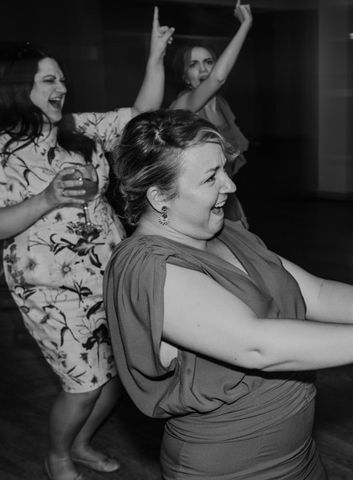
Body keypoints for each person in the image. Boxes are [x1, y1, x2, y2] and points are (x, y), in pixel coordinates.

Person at [103, 109, 353, 480]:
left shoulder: (223, 232)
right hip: (227, 469)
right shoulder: (146, 266)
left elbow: (316, 293)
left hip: (298, 455)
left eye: (224, 170)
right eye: (210, 177)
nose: (229, 186)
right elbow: (257, 346)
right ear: (159, 196)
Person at [0, 9, 173, 480]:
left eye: (62, 79)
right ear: (19, 87)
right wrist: (47, 198)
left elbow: (140, 117)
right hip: (50, 291)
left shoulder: (77, 130)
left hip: (107, 274)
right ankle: (56, 456)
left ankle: (79, 444)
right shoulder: (1, 152)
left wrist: (155, 56)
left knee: (114, 378)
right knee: (82, 385)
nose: (62, 87)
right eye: (48, 80)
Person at [170, 2, 252, 228]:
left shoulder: (222, 105)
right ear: (185, 76)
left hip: (226, 197)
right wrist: (245, 25)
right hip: (197, 203)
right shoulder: (186, 103)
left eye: (208, 62)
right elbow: (218, 78)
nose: (204, 70)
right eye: (193, 65)